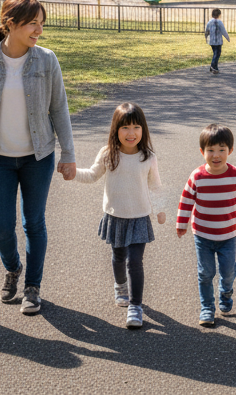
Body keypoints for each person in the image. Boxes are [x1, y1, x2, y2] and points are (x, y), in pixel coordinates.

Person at [0, 0, 75, 317]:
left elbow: (59, 108)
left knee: (34, 223)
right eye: (33, 23)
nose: (39, 30)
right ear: (10, 23)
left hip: (38, 156)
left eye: (41, 23)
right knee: (2, 228)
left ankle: (32, 287)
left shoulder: (47, 60)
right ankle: (13, 268)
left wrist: (68, 153)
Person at [76, 103, 168, 329]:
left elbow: (155, 186)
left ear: (143, 129)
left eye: (136, 127)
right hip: (116, 216)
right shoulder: (108, 154)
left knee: (135, 261)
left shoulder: (148, 157)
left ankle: (136, 306)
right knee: (118, 257)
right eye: (125, 127)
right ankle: (120, 286)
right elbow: (92, 175)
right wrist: (72, 173)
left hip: (139, 217)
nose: (131, 133)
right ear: (116, 129)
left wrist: (160, 209)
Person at [176, 124, 236, 327]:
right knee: (205, 273)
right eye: (210, 150)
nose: (216, 155)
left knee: (227, 272)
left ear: (230, 150)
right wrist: (182, 223)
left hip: (228, 235)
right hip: (202, 235)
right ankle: (207, 307)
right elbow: (186, 200)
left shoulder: (235, 175)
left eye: (221, 150)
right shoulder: (197, 177)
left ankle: (226, 292)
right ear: (202, 152)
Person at [205, 8, 230, 75]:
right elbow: (223, 31)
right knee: (217, 54)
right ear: (219, 15)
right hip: (218, 41)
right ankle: (213, 66)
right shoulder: (219, 22)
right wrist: (227, 38)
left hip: (212, 41)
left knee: (215, 54)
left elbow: (206, 31)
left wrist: (206, 37)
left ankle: (215, 68)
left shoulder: (209, 22)